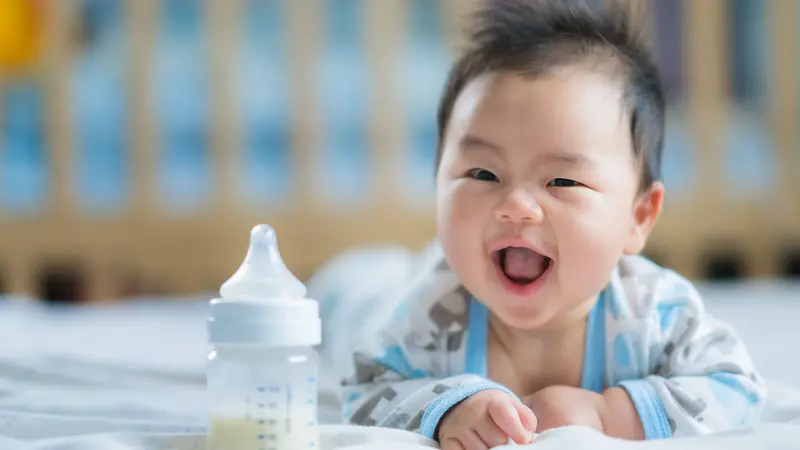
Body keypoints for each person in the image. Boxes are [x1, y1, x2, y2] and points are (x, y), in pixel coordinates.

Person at [336, 0, 766, 447]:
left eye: (561, 180)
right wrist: (447, 408)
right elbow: (363, 388)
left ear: (638, 217)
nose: (517, 205)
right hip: (377, 291)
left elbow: (737, 382)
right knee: (354, 297)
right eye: (483, 174)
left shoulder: (652, 314)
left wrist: (607, 414)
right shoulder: (433, 314)